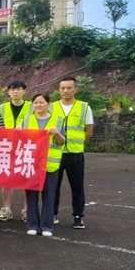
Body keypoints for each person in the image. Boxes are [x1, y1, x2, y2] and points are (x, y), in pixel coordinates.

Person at [20, 93, 65, 237]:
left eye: (41, 102)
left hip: (50, 165)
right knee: (31, 195)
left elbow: (62, 142)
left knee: (49, 196)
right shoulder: (27, 120)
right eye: (36, 103)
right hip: (31, 165)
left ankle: (47, 226)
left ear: (48, 104)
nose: (38, 105)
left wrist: (57, 134)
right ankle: (32, 224)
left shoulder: (58, 120)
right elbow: (18, 139)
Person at [52, 77, 94, 228]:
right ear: (59, 90)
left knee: (77, 186)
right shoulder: (51, 107)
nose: (65, 91)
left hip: (75, 154)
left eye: (69, 88)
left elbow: (89, 131)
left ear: (75, 89)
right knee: (53, 186)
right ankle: (52, 214)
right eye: (62, 88)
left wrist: (77, 143)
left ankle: (78, 216)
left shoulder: (84, 107)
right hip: (55, 153)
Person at [0, 80, 31, 223]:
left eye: (18, 89)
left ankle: (26, 210)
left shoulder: (31, 107)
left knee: (26, 179)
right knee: (7, 179)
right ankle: (6, 209)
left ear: (24, 91)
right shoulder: (2, 108)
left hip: (26, 147)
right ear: (8, 92)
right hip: (7, 147)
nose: (15, 92)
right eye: (12, 89)